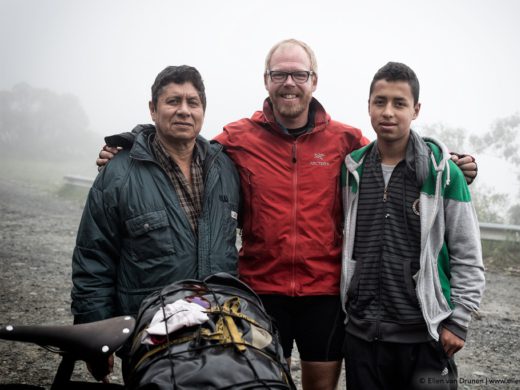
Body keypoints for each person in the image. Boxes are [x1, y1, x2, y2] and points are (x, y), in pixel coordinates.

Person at [96, 39, 479, 390]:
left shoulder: (346, 141)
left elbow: (394, 158)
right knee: (259, 384)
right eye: (279, 74)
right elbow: (186, 144)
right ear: (266, 80)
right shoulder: (238, 138)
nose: (289, 83)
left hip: (324, 294)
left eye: (299, 74)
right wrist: (130, 145)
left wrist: (450, 163)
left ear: (314, 81)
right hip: (260, 292)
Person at [71, 65, 240, 381]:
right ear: (153, 108)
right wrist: (96, 338)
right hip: (150, 341)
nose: (184, 111)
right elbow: (93, 259)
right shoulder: (119, 174)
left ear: (203, 109)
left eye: (193, 102)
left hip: (218, 334)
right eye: (173, 101)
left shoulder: (225, 169)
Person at [340, 61, 485, 389]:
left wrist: (458, 321)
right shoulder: (352, 171)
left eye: (399, 103)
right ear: (369, 107)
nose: (388, 112)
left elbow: (468, 254)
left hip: (423, 337)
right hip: (362, 337)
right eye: (380, 102)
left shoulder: (444, 174)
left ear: (416, 110)